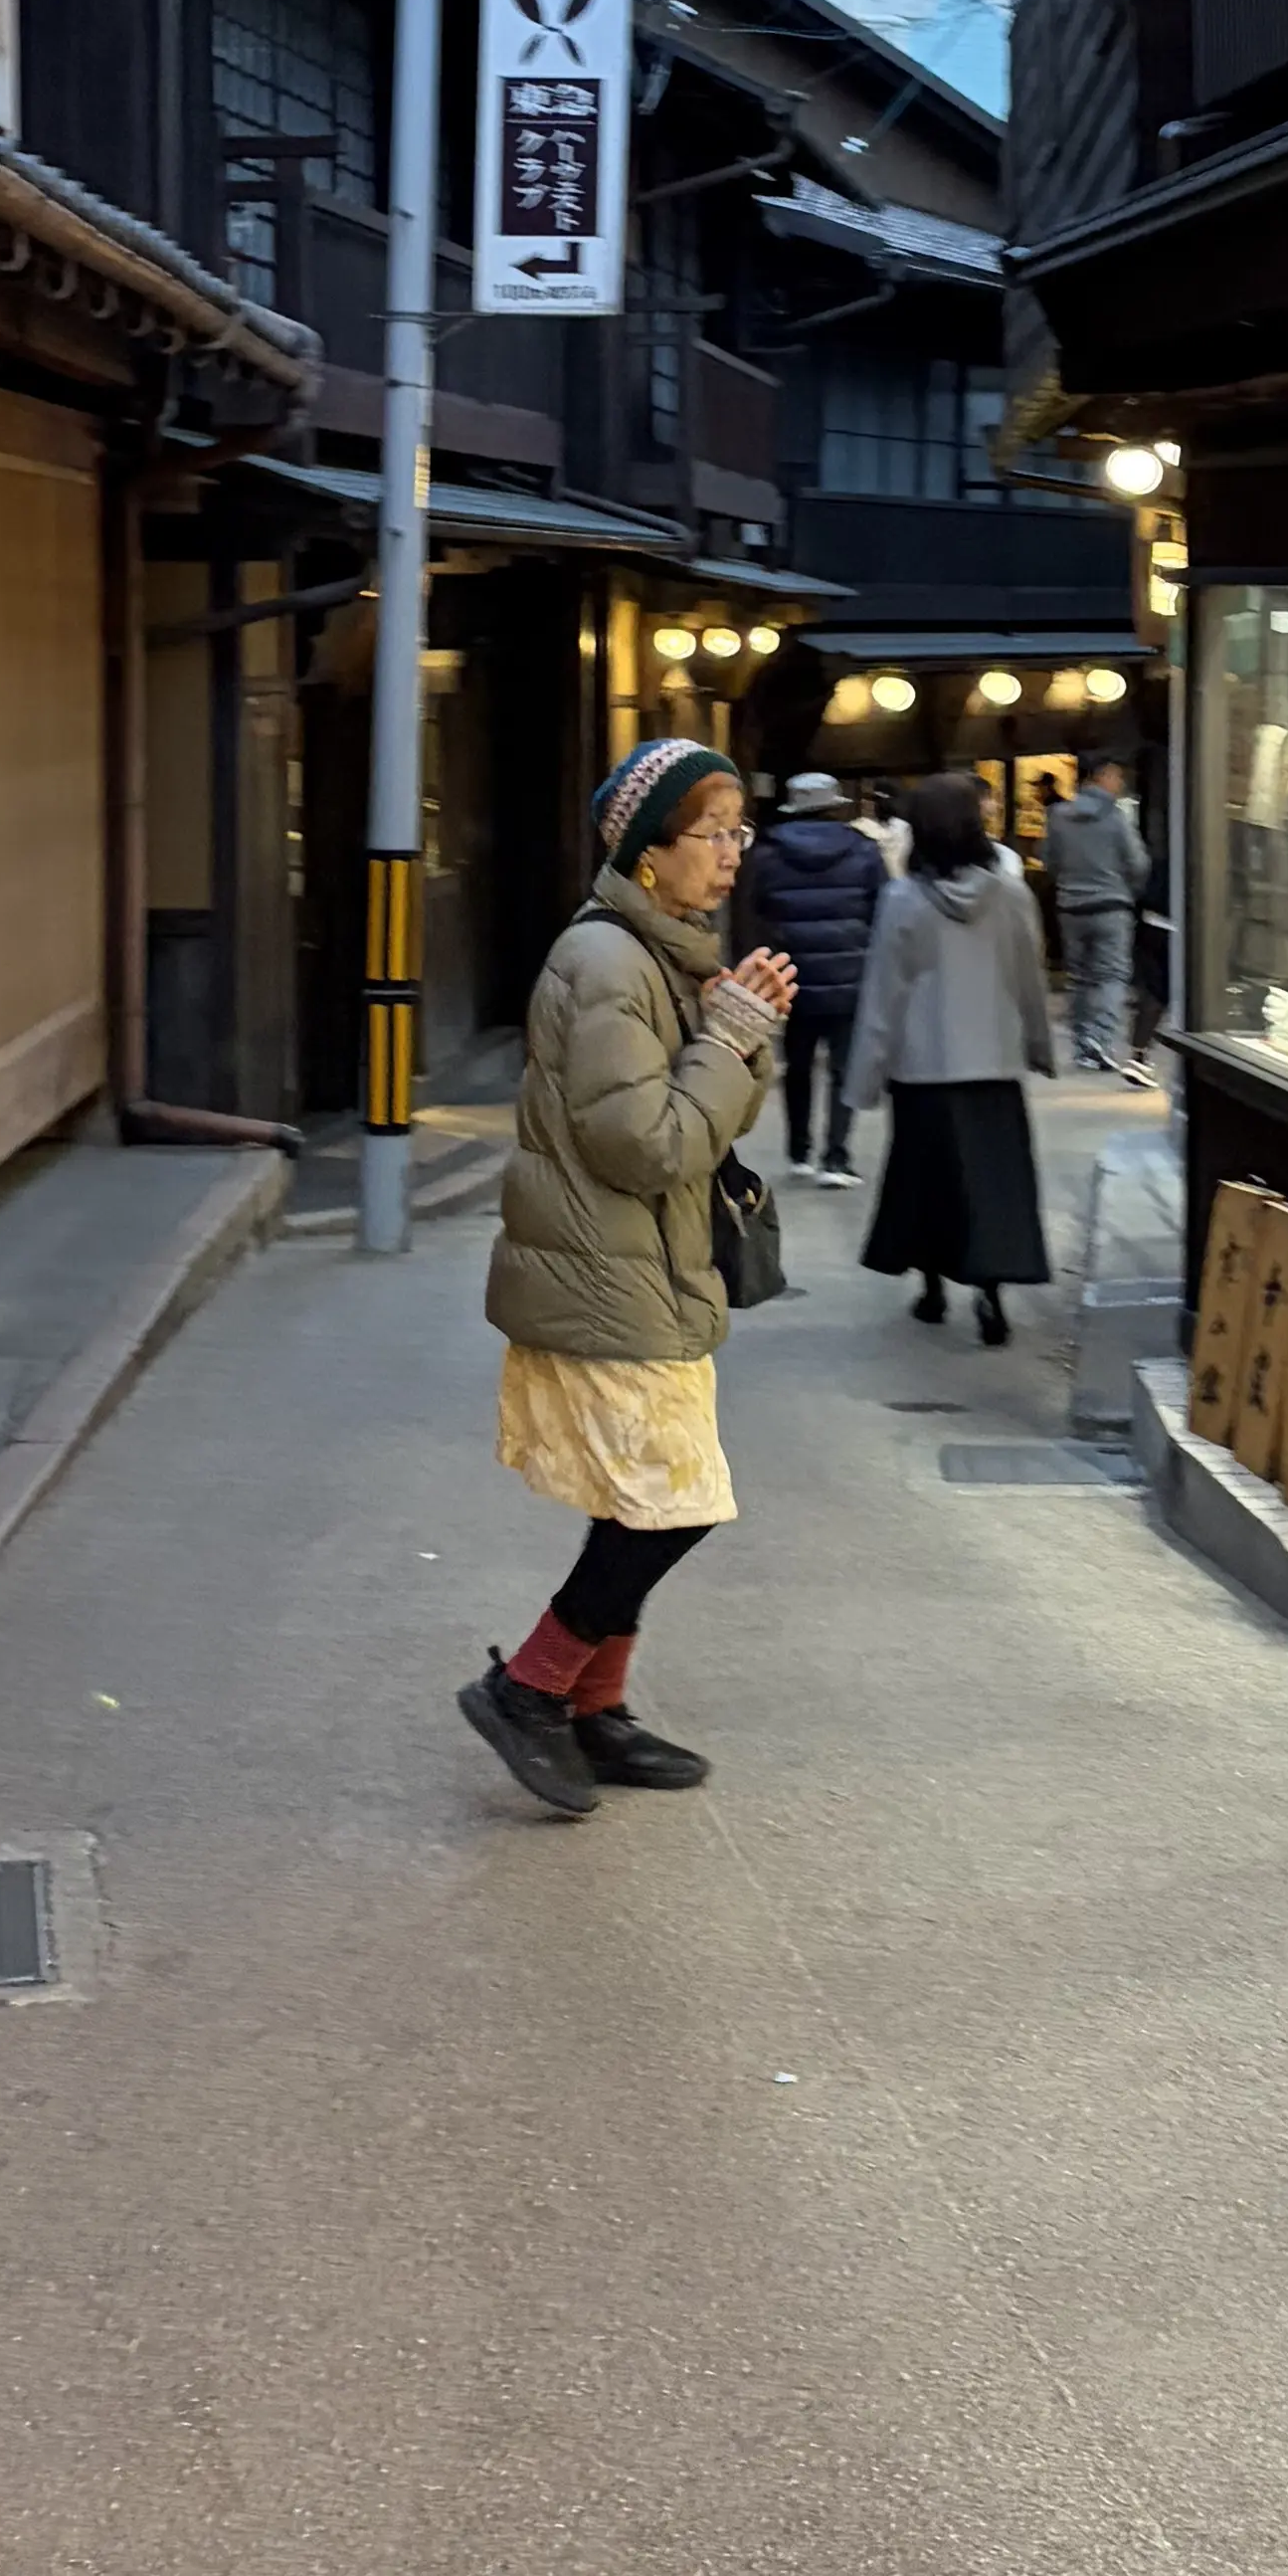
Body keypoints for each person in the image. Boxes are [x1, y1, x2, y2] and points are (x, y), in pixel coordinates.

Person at [464, 738, 795, 1816]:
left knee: (642, 1501)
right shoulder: (607, 963)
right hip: (609, 1271)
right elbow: (643, 1147)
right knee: (668, 1506)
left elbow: (702, 1127)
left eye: (738, 831)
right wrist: (731, 1041)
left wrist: (740, 1038)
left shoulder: (670, 951)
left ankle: (596, 1713)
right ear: (649, 852)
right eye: (712, 834)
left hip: (646, 1264)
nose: (732, 855)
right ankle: (530, 1688)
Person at [854, 766, 1056, 1346]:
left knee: (926, 1181)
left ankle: (932, 1288)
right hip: (992, 1063)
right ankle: (991, 1294)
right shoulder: (1011, 894)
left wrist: (865, 1077)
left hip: (922, 1068)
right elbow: (1029, 977)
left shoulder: (903, 898)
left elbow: (882, 992)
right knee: (994, 1183)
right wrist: (1039, 1047)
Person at [733, 765, 886, 1179]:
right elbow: (881, 911)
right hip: (849, 976)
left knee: (797, 1065)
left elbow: (752, 911)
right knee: (843, 1068)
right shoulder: (864, 851)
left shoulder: (765, 854)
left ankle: (799, 1152)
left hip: (790, 976)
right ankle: (836, 1156)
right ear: (834, 807)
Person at [1041, 752, 1153, 1074]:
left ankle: (1081, 1044)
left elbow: (1050, 860)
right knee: (1111, 976)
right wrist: (1127, 889)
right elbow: (1138, 862)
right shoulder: (1116, 817)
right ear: (1101, 776)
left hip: (1071, 907)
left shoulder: (1059, 816)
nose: (1119, 783)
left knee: (1079, 977)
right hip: (1111, 906)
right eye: (1116, 776)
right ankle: (1099, 1040)